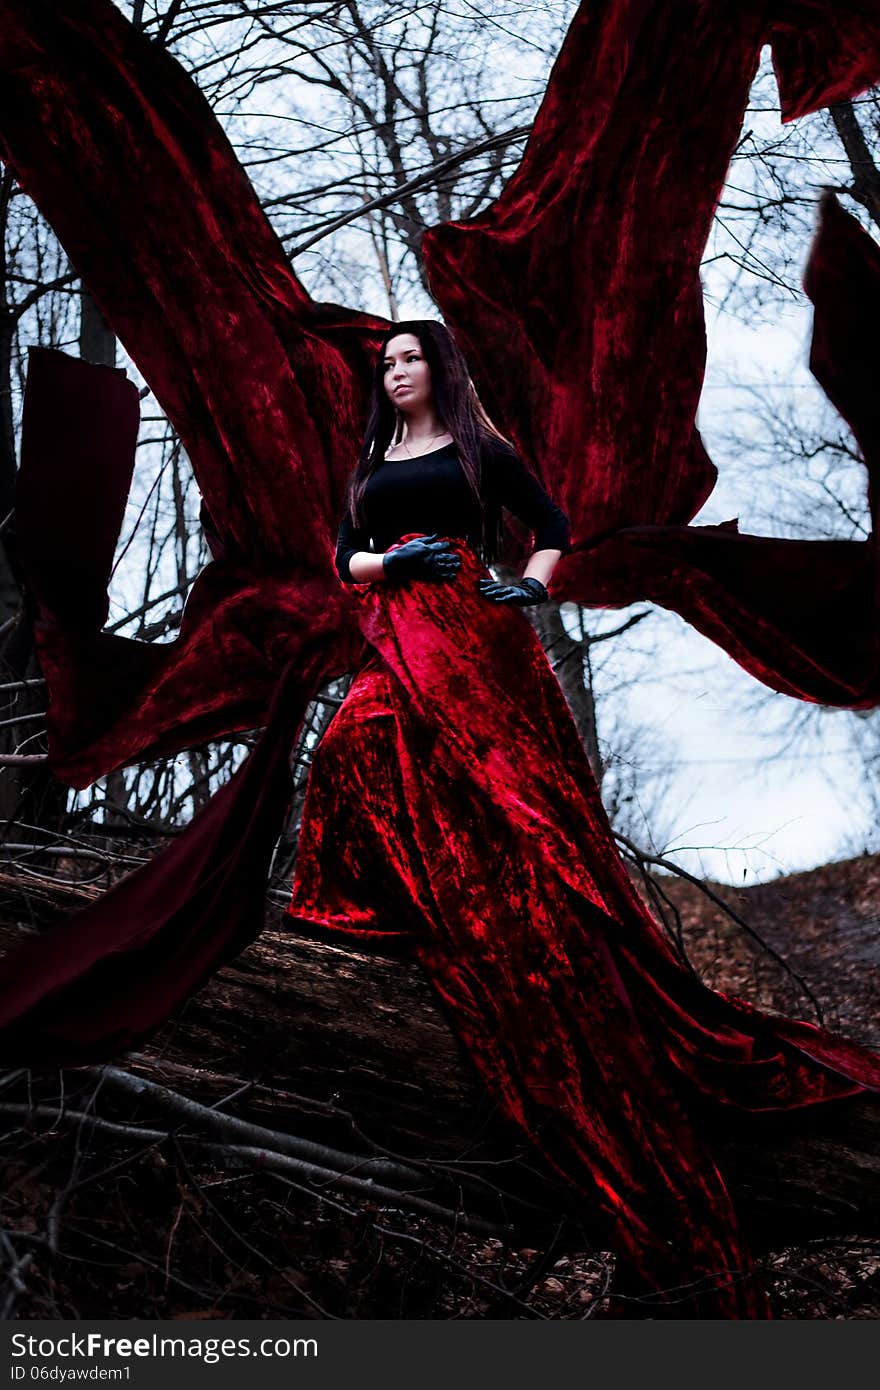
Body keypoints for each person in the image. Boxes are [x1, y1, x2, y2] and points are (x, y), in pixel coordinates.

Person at [286, 319, 880, 1319]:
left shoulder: (482, 447)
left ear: (439, 365)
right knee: (354, 741)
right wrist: (395, 565)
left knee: (514, 805)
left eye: (407, 356)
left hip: (480, 631)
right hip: (402, 626)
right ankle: (383, 892)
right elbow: (346, 557)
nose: (391, 372)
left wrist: (527, 583)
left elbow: (551, 526)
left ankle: (517, 900)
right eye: (381, 361)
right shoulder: (369, 460)